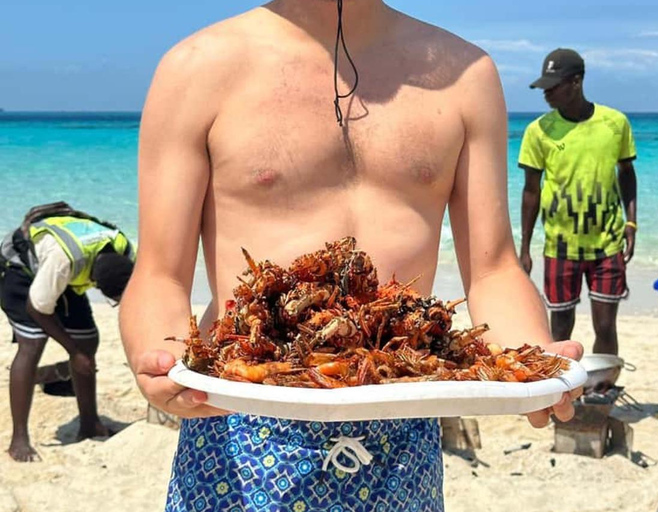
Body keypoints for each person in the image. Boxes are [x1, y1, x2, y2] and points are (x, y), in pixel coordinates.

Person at [118, 1, 583, 510]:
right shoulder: (197, 68)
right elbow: (160, 273)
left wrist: (532, 365)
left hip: (403, 405)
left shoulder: (467, 76)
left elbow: (493, 268)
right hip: (238, 408)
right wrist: (158, 364)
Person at [518, 48, 637, 356]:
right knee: (559, 328)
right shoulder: (538, 131)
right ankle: (561, 392)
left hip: (607, 244)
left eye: (553, 86)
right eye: (543, 87)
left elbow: (627, 173)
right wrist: (525, 248)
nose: (546, 93)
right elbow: (531, 191)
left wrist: (631, 222)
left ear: (577, 82)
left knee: (606, 326)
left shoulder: (615, 123)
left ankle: (601, 391)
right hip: (559, 245)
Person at [0, 202, 135, 462]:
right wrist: (71, 350)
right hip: (18, 268)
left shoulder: (126, 250)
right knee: (32, 345)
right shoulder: (65, 262)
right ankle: (19, 439)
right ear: (94, 282)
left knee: (88, 341)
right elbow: (37, 307)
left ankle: (89, 425)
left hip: (62, 269)